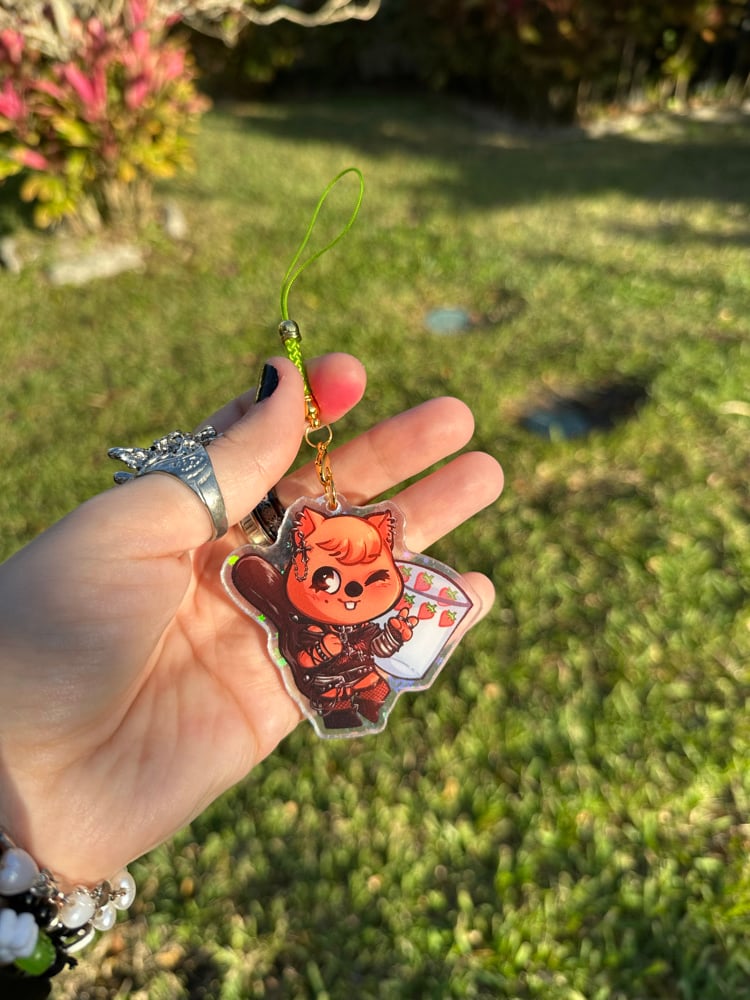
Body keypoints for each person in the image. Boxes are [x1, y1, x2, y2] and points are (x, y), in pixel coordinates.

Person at [0, 351, 503, 990]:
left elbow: (372, 635)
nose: (351, 593)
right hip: (321, 672)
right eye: (330, 579)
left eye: (372, 580)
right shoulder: (284, 602)